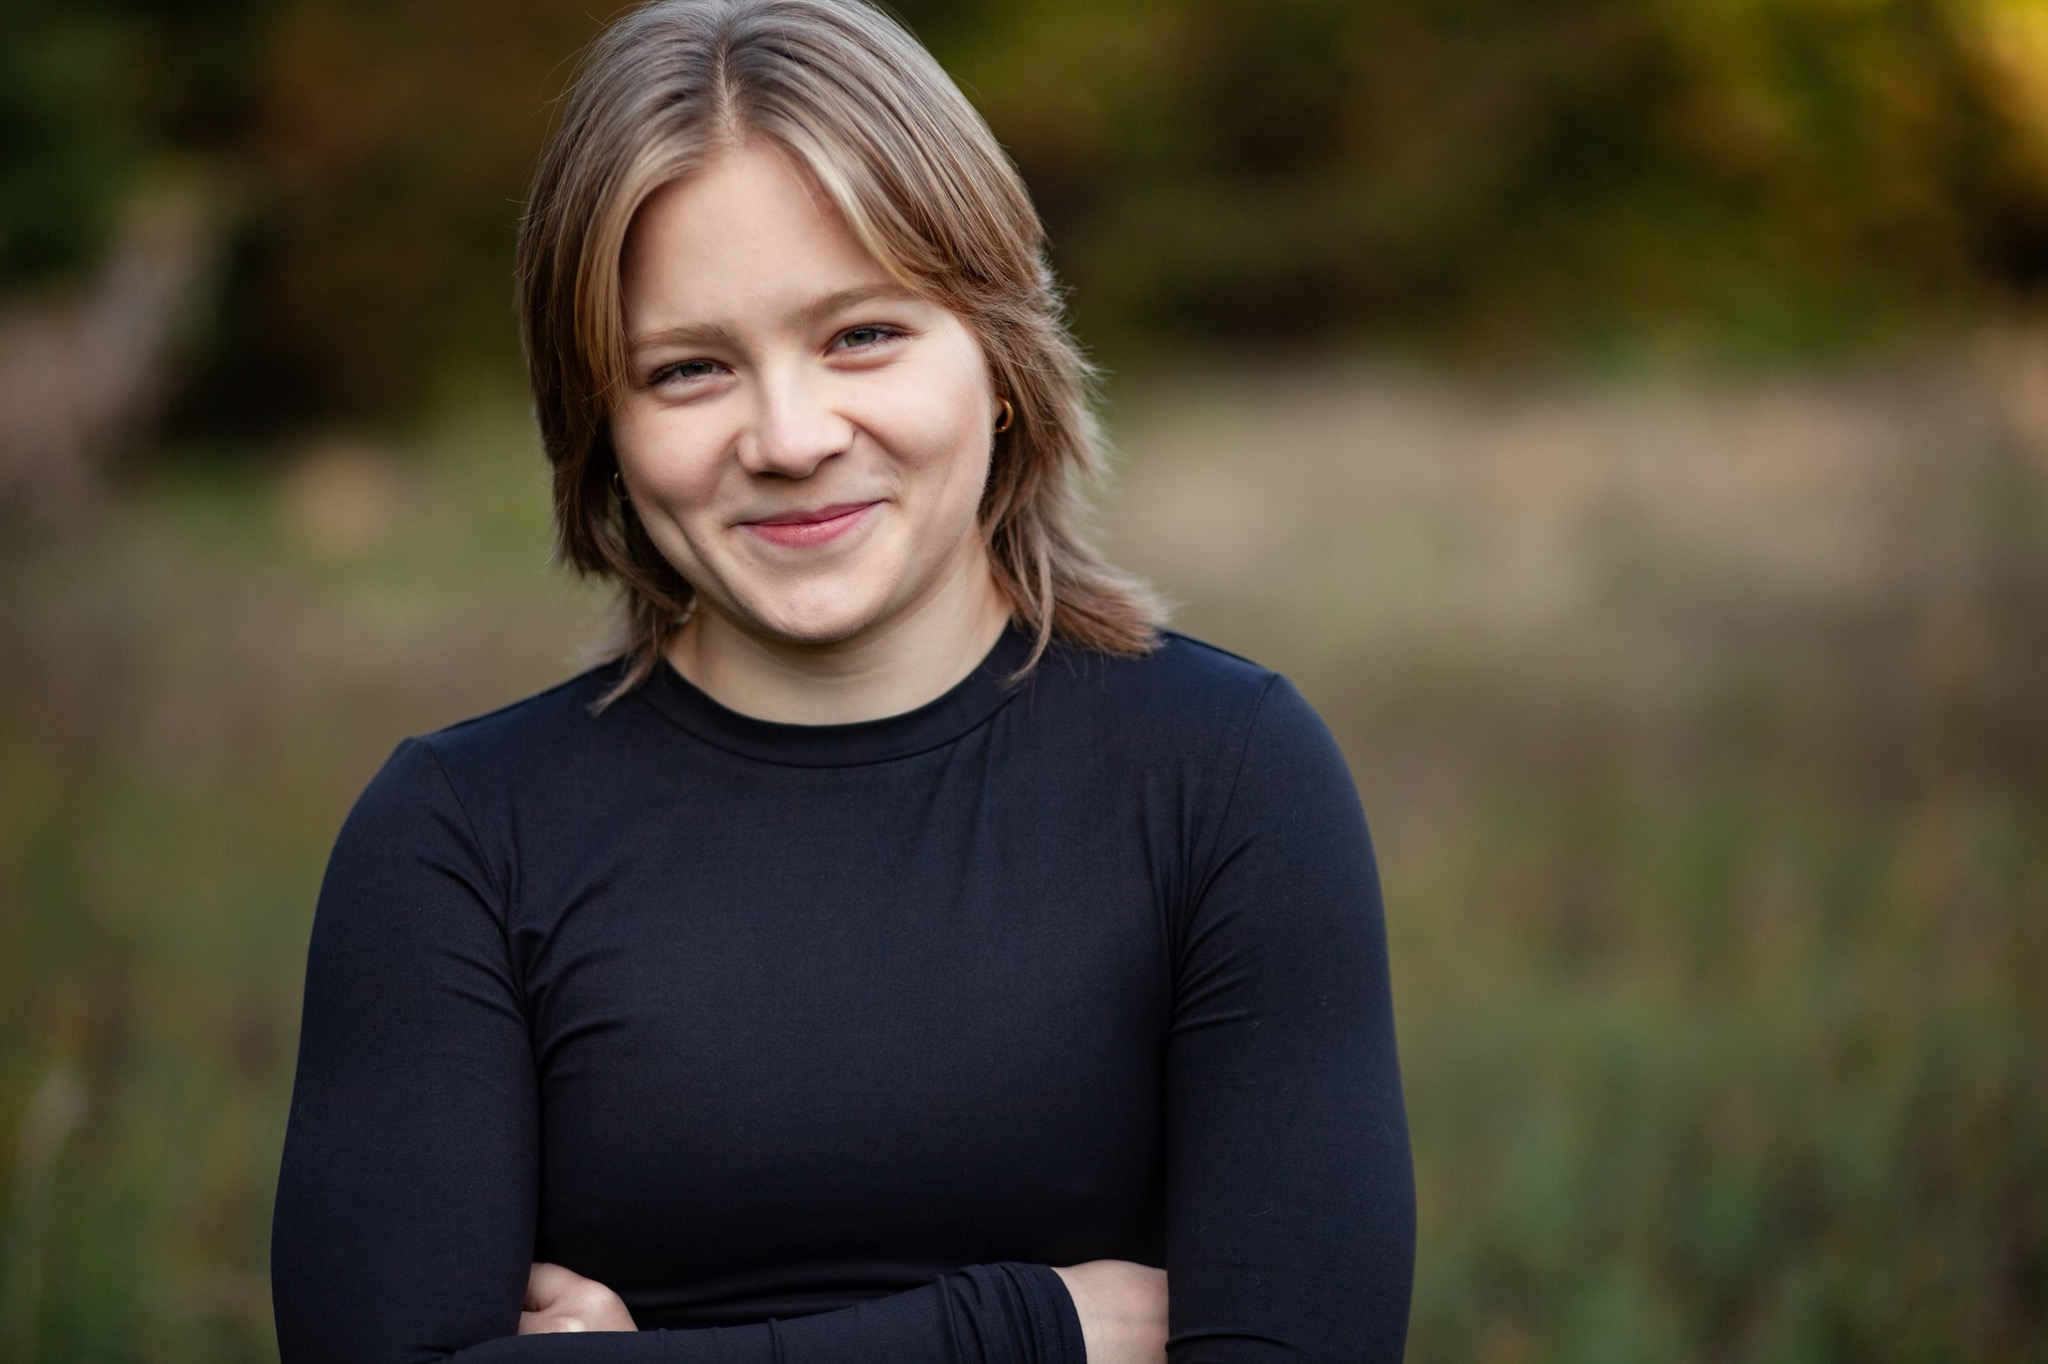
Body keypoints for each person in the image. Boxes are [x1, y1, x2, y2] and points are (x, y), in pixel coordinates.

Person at [268, 0, 1414, 1360]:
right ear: (601, 425)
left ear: (997, 354)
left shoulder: (1230, 779)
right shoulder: (455, 840)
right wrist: (1031, 1332)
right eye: (688, 369)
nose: (791, 436)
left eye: (862, 334)